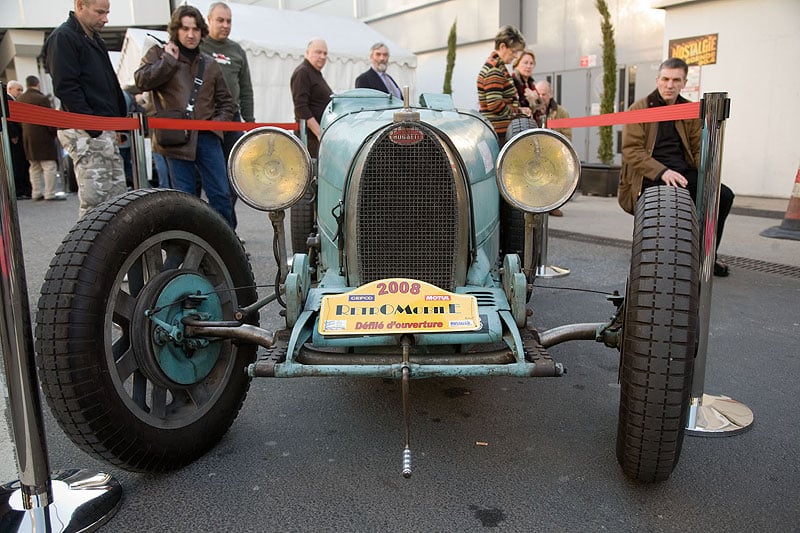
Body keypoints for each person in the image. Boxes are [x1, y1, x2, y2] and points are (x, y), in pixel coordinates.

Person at [619, 57, 734, 277]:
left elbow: (699, 147)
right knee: (673, 199)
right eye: (665, 79)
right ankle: (662, 259)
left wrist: (708, 174)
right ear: (657, 79)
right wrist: (662, 171)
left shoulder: (688, 109)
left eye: (676, 80)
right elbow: (632, 151)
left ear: (684, 82)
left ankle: (706, 257)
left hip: (681, 171)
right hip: (650, 173)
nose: (670, 85)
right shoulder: (640, 108)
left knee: (723, 195)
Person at [135, 5, 235, 227]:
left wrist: (215, 125)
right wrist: (168, 62)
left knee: (221, 196)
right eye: (185, 29)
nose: (191, 35)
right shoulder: (159, 55)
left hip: (207, 138)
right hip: (175, 139)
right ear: (176, 30)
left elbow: (227, 102)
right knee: (184, 200)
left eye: (195, 29)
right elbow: (141, 81)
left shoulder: (210, 64)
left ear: (202, 31)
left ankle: (227, 248)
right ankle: (187, 248)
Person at [45, 0, 127, 219]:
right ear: (81, 6)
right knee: (95, 204)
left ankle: (117, 251)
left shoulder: (94, 39)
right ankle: (89, 253)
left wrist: (119, 123)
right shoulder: (64, 38)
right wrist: (92, 127)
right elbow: (66, 86)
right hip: (87, 131)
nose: (105, 19)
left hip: (104, 130)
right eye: (100, 12)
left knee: (117, 201)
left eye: (107, 13)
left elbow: (110, 83)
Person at [201, 1, 254, 229]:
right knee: (210, 181)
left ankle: (224, 228)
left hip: (232, 122)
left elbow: (246, 89)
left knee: (234, 179)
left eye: (228, 21)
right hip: (204, 123)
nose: (225, 25)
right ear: (209, 21)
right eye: (220, 20)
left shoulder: (236, 50)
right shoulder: (198, 46)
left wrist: (249, 123)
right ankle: (206, 229)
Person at [477, 25, 530, 146]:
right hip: (499, 134)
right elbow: (495, 105)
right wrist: (518, 112)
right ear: (502, 46)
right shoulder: (495, 70)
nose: (516, 56)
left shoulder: (496, 67)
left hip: (497, 131)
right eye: (513, 51)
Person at [18, 76, 63, 201]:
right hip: (43, 137)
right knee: (49, 166)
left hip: (28, 137)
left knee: (34, 167)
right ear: (37, 84)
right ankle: (50, 193)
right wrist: (54, 132)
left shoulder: (20, 99)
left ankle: (36, 192)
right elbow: (48, 119)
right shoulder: (42, 99)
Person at [535, 79, 572, 217]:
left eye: (544, 94)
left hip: (554, 153)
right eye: (538, 94)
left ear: (550, 94)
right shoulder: (532, 110)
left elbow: (567, 136)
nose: (541, 97)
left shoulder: (561, 112)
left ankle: (553, 205)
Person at [290, 38, 332, 158]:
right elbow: (301, 107)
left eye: (325, 53)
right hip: (309, 139)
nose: (322, 56)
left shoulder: (315, 73)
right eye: (318, 52)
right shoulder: (303, 72)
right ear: (307, 53)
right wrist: (319, 133)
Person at [4, 80, 31, 199]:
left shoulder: (13, 100)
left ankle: (22, 189)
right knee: (17, 164)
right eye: (18, 90)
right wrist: (13, 135)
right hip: (14, 138)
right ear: (10, 89)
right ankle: (20, 190)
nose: (20, 92)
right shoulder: (7, 101)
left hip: (16, 137)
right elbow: (9, 120)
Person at [511, 49, 542, 126]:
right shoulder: (512, 82)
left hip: (531, 125)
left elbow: (540, 109)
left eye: (531, 63)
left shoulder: (531, 84)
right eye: (525, 63)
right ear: (516, 64)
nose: (528, 66)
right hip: (518, 126)